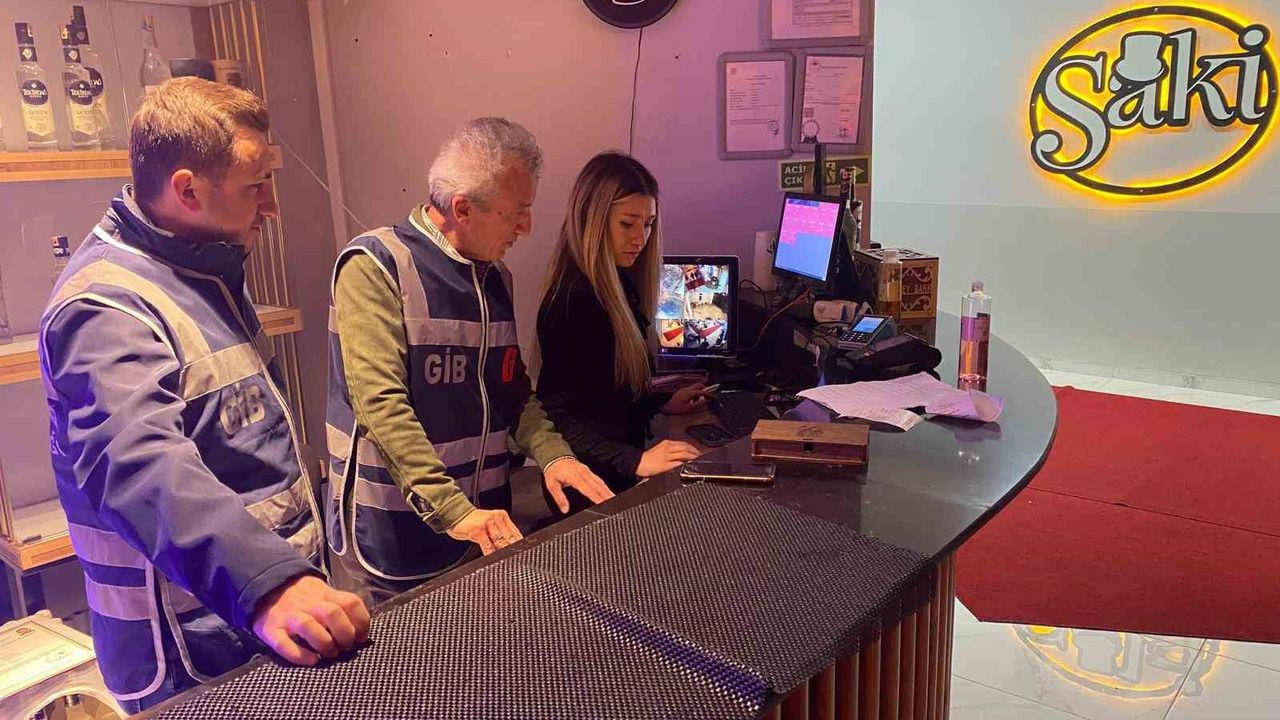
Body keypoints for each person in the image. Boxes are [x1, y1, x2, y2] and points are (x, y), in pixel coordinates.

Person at [38, 77, 369, 712]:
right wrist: (267, 583)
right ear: (187, 190)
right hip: (189, 650)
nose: (271, 206)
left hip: (247, 618)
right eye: (255, 186)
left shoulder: (202, 268)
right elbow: (137, 464)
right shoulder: (104, 307)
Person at [326, 118, 614, 605]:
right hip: (399, 529)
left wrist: (554, 454)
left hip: (483, 520)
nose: (527, 227)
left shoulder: (496, 278)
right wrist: (453, 510)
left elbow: (512, 390)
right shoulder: (375, 265)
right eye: (516, 213)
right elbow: (380, 405)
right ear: (461, 208)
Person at [535, 152, 706, 510]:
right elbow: (553, 414)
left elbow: (605, 393)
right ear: (592, 221)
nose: (640, 238)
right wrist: (636, 461)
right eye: (627, 224)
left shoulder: (620, 283)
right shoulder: (573, 300)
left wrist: (661, 402)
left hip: (616, 468)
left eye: (649, 224)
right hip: (589, 485)